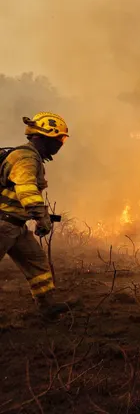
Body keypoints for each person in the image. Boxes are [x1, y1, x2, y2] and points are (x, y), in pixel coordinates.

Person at [0, 112, 69, 319]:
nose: (59, 144)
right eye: (57, 139)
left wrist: (38, 217)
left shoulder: (31, 158)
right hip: (3, 224)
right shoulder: (26, 158)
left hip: (16, 226)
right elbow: (27, 189)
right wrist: (40, 216)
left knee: (37, 264)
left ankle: (47, 307)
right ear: (41, 137)